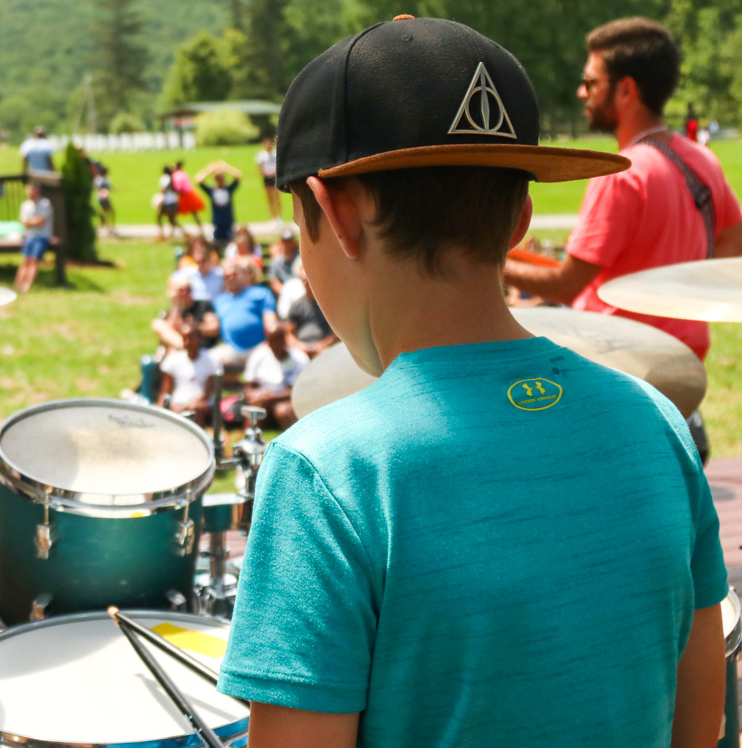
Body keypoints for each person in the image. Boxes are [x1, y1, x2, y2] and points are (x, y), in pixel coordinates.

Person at [219, 17, 725, 748]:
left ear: (336, 210)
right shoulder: (657, 425)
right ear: (520, 217)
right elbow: (698, 726)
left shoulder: (326, 473)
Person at [502, 17, 742, 458]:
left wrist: (492, 261)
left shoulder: (621, 175)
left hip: (617, 375)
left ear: (626, 90)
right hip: (682, 373)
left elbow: (566, 286)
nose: (582, 92)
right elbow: (731, 245)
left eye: (590, 82)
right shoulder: (702, 160)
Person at [202, 256, 276, 366]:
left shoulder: (260, 293)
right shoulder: (220, 300)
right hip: (231, 349)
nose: (231, 278)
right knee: (208, 359)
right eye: (227, 276)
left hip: (259, 348)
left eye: (234, 274)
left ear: (246, 275)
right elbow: (213, 326)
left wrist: (270, 342)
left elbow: (271, 322)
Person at [241, 326, 308, 428]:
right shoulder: (259, 355)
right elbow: (249, 387)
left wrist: (271, 397)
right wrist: (255, 396)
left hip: (288, 401)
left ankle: (297, 438)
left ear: (285, 339)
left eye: (278, 340)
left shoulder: (299, 358)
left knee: (283, 410)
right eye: (272, 340)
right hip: (263, 400)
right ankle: (249, 439)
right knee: (255, 408)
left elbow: (297, 391)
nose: (275, 344)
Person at [157, 322, 221, 426]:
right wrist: (168, 404)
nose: (187, 342)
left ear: (199, 338)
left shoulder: (211, 360)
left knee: (195, 409)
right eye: (184, 338)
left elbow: (208, 392)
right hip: (176, 403)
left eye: (191, 338)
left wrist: (188, 406)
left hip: (200, 404)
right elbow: (165, 390)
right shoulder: (173, 360)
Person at [152, 275, 217, 351]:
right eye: (181, 290)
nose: (185, 293)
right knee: (158, 324)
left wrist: (194, 329)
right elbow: (170, 330)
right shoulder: (173, 310)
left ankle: (188, 346)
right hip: (181, 352)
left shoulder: (203, 305)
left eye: (188, 289)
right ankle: (186, 346)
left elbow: (214, 328)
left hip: (202, 349)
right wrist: (176, 303)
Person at [286, 264, 337, 358]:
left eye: (309, 280)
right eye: (304, 281)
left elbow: (336, 334)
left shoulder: (328, 305)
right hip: (301, 350)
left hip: (325, 349)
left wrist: (322, 345)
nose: (307, 284)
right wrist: (301, 347)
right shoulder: (296, 306)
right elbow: (289, 334)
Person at [14, 182, 53, 293]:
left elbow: (40, 222)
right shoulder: (26, 205)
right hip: (29, 236)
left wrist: (30, 221)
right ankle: (17, 285)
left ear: (37, 191)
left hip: (41, 237)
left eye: (31, 190)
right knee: (25, 260)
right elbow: (24, 222)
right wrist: (33, 221)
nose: (29, 193)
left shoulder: (45, 204)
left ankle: (26, 286)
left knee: (33, 261)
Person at [195, 161, 242, 246]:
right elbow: (198, 180)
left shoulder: (228, 189)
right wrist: (209, 171)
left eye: (221, 177)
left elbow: (239, 176)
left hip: (228, 220)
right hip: (217, 221)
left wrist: (227, 168)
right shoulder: (212, 191)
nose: (219, 180)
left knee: (231, 242)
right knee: (217, 243)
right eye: (217, 178)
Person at [172, 160, 206, 235]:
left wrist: (177, 196)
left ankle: (181, 232)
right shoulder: (183, 173)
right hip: (190, 194)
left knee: (173, 215)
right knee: (195, 214)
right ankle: (201, 230)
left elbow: (178, 187)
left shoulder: (176, 174)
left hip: (184, 196)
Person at [256, 137, 281, 226]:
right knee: (269, 199)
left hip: (275, 177)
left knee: (277, 198)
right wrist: (267, 173)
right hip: (267, 178)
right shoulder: (261, 156)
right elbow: (259, 169)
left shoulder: (275, 154)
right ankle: (272, 218)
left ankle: (279, 217)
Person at [268, 228, 299, 296]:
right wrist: (287, 294)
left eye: (289, 241)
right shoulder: (276, 263)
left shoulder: (301, 260)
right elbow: (275, 283)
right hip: (284, 295)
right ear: (281, 243)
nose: (287, 244)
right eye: (285, 241)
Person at [155, 166, 181, 242]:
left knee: (161, 218)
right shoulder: (172, 178)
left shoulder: (165, 178)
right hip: (173, 201)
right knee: (172, 220)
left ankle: (162, 234)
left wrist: (160, 197)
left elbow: (164, 189)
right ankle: (167, 234)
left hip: (167, 201)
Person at [94, 165, 117, 237]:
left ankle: (108, 227)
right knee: (109, 212)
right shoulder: (99, 179)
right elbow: (97, 188)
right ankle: (108, 228)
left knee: (109, 213)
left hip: (105, 198)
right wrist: (103, 193)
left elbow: (108, 187)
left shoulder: (105, 179)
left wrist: (115, 189)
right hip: (103, 198)